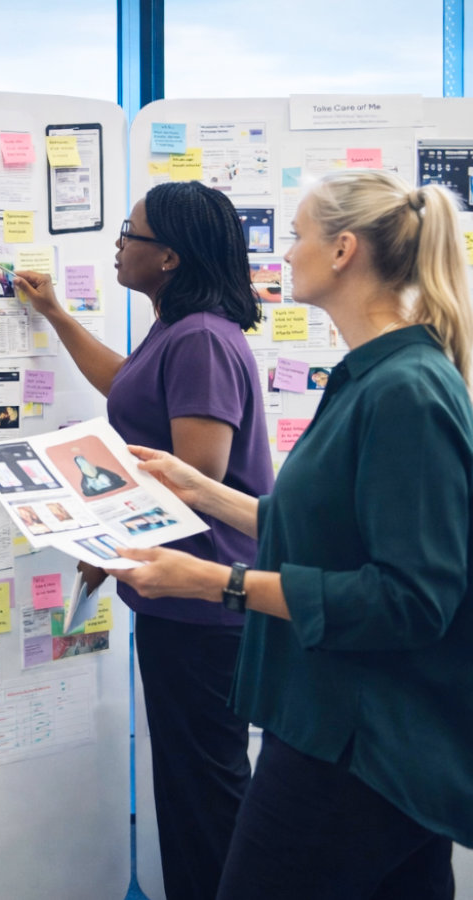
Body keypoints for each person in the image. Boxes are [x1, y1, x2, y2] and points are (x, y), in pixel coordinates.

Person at [107, 170, 473, 899]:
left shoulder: (407, 390)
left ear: (343, 251)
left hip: (360, 744)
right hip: (336, 724)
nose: (283, 254)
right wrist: (207, 493)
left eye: (298, 236)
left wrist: (217, 581)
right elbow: (322, 529)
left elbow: (410, 599)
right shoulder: (368, 376)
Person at [15, 180, 273, 900]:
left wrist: (85, 521)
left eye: (129, 234)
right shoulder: (178, 329)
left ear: (168, 255)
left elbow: (197, 474)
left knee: (205, 795)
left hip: (204, 603)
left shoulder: (200, 339)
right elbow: (127, 388)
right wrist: (57, 316)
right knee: (194, 788)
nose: (118, 246)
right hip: (176, 599)